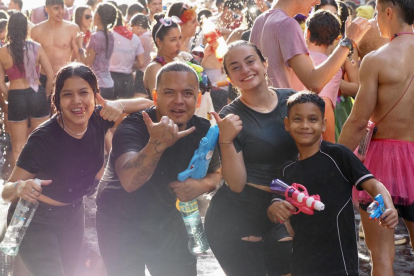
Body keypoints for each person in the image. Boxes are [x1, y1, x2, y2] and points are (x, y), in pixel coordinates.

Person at [1, 62, 153, 276]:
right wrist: (19, 188)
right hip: (36, 219)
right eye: (67, 95)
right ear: (57, 99)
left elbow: (149, 103)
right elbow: (6, 191)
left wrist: (120, 105)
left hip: (73, 215)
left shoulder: (98, 120)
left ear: (95, 95)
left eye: (84, 93)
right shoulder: (43, 138)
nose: (77, 102)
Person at [96, 61, 221, 276]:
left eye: (188, 93)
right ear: (156, 97)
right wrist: (158, 144)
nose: (179, 101)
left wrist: (204, 184)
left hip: (169, 222)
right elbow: (129, 180)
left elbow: (218, 172)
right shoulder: (133, 126)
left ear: (198, 98)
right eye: (169, 93)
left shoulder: (202, 131)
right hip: (119, 221)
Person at [268, 91, 398, 276]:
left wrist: (388, 207)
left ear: (323, 125)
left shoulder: (338, 155)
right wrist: (276, 209)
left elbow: (373, 185)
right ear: (287, 124)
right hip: (301, 263)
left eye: (312, 119)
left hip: (340, 263)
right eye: (298, 119)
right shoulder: (286, 169)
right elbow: (274, 207)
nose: (305, 125)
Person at [205, 41, 296, 276]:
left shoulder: (293, 102)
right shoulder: (229, 117)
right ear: (230, 79)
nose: (245, 70)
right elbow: (235, 184)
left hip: (287, 204)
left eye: (250, 61)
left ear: (265, 64)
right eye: (235, 67)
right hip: (238, 214)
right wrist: (225, 140)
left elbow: (317, 152)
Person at [338, 1, 414, 275]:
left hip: (379, 167)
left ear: (389, 12)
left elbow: (358, 122)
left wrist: (333, 157)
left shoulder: (377, 59)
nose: (375, 21)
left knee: (381, 256)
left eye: (378, 14)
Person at [250, 0, 370, 93]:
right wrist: (349, 41)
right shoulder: (288, 24)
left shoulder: (260, 20)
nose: (318, 2)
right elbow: (315, 83)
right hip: (283, 117)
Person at [0, 12, 53, 164]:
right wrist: (46, 95)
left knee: (18, 146)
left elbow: (1, 84)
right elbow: (50, 75)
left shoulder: (2, 52)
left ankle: (22, 183)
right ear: (26, 28)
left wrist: (9, 97)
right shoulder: (37, 47)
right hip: (37, 93)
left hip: (16, 96)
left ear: (10, 29)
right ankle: (42, 177)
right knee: (41, 140)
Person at [305, 10, 342, 143]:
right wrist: (330, 146)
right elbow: (324, 105)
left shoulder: (296, 59)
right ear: (334, 40)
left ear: (307, 32)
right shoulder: (331, 67)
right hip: (311, 138)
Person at [31, 0, 81, 90]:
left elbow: (78, 57)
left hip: (64, 76)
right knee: (45, 104)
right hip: (43, 77)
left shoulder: (72, 28)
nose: (61, 12)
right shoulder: (36, 30)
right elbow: (31, 59)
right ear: (47, 9)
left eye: (62, 8)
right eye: (56, 8)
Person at [78, 2, 117, 100]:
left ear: (98, 16)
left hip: (98, 85)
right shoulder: (111, 35)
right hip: (109, 84)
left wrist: (79, 46)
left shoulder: (96, 37)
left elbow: (87, 64)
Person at [143, 14, 182, 97]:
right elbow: (159, 101)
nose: (179, 44)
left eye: (180, 38)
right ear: (159, 42)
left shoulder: (179, 62)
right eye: (173, 40)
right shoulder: (155, 68)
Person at [109, 10, 144, 99]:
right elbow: (141, 63)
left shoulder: (109, 35)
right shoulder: (135, 38)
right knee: (127, 110)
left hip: (111, 77)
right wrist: (129, 64)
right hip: (128, 79)